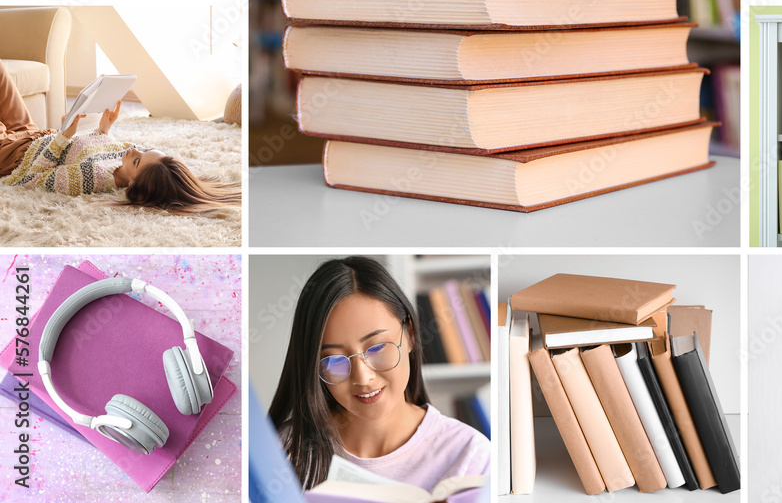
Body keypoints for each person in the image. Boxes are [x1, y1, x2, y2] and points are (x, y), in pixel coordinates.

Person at [269, 256, 489, 491]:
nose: (363, 378)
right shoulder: (285, 450)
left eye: (377, 348)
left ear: (410, 334)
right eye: (334, 360)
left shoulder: (469, 453)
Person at [0, 61, 237, 213]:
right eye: (144, 150)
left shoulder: (90, 178)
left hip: (10, 155)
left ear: (133, 183)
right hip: (34, 135)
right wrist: (104, 130)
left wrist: (64, 136)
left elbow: (31, 179)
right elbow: (87, 152)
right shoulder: (129, 157)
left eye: (136, 161)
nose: (134, 151)